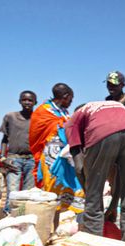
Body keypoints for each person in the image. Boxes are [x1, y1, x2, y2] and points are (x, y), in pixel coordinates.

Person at [66, 101, 125, 243]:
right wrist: (113, 205)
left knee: (93, 200)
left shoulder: (74, 120)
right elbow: (116, 175)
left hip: (102, 131)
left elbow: (79, 167)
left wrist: (91, 193)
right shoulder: (112, 107)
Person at [29, 83, 84, 212]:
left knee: (72, 189)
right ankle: (51, 223)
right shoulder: (43, 111)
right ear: (65, 96)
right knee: (52, 189)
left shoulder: (64, 112)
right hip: (50, 157)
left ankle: (67, 222)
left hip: (67, 157)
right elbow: (36, 135)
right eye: (71, 98)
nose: (71, 102)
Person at [0, 90, 37, 212]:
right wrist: (3, 158)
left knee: (28, 193)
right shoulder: (10, 117)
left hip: (32, 159)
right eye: (24, 99)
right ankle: (9, 217)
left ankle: (21, 218)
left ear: (35, 102)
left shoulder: (38, 119)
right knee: (13, 191)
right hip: (14, 158)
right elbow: (4, 139)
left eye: (30, 100)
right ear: (19, 101)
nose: (27, 102)